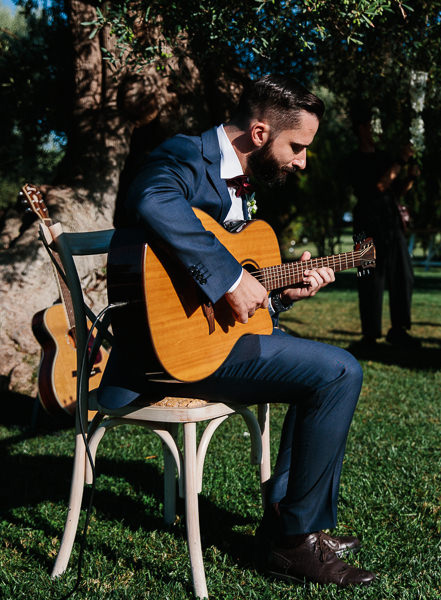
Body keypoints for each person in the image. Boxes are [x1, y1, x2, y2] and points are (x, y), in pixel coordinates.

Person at [99, 75, 376, 586]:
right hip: (164, 353)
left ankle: (288, 522)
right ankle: (294, 540)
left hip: (213, 341)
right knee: (339, 372)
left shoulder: (245, 185)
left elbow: (239, 291)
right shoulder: (184, 153)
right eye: (297, 147)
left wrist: (278, 293)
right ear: (259, 132)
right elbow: (152, 198)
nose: (302, 161)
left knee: (324, 367)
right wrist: (229, 278)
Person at [347, 105, 419, 353]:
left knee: (403, 275)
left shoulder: (384, 156)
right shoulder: (354, 159)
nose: (374, 130)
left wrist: (410, 177)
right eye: (369, 125)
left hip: (390, 222)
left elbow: (394, 190)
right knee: (369, 276)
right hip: (366, 223)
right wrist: (400, 161)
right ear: (361, 128)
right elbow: (379, 185)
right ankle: (370, 334)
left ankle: (399, 330)